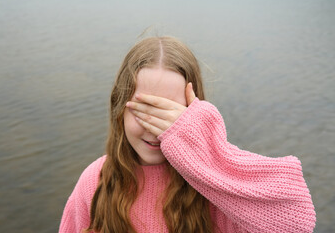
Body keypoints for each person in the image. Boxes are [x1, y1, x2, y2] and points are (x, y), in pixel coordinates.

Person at [59, 36, 316, 233]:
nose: (155, 128)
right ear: (119, 109)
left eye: (170, 114)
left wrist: (205, 149)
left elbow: (297, 221)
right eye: (144, 111)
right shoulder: (96, 180)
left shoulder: (214, 184)